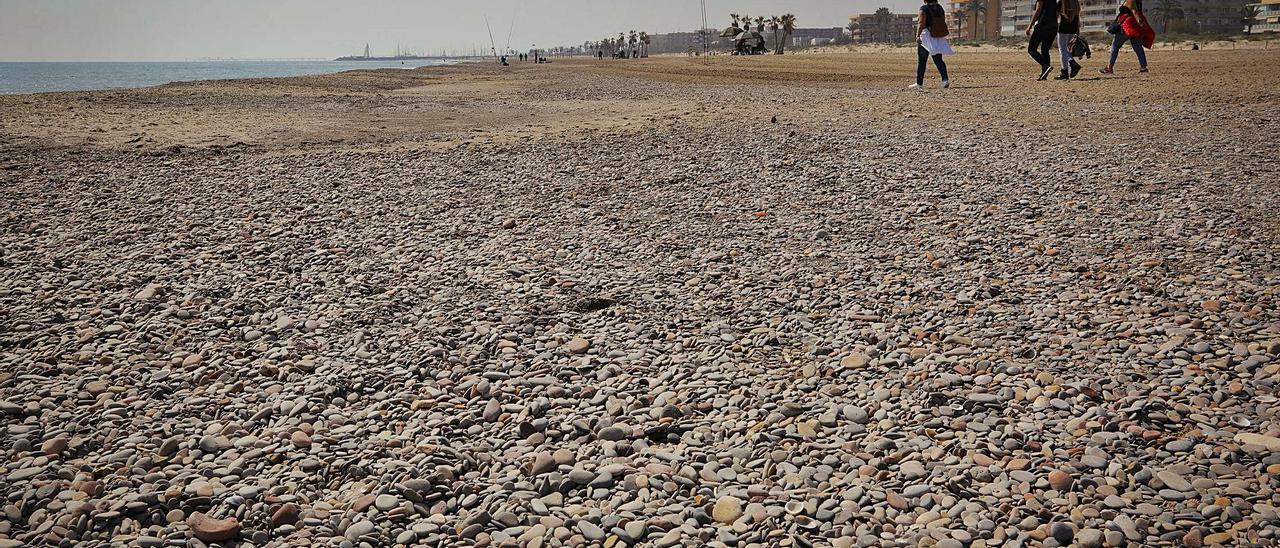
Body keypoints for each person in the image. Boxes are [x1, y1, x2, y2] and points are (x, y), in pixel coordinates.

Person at [910, 0, 954, 90]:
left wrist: (918, 35)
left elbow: (921, 23)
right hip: (937, 36)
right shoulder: (940, 8)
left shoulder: (924, 8)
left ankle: (919, 84)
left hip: (926, 36)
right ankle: (945, 80)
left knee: (922, 61)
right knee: (938, 59)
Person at [1100, 0, 1152, 74]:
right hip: (1135, 27)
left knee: (1115, 46)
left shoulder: (1130, 1)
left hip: (1127, 27)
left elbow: (1134, 12)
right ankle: (1143, 67)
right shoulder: (1138, 2)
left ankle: (1109, 68)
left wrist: (1140, 21)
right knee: (1138, 47)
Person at [1026, 0, 1059, 80]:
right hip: (1053, 26)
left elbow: (1038, 10)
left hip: (1043, 24)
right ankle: (1044, 73)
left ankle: (1045, 65)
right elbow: (1057, 13)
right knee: (1045, 49)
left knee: (1031, 49)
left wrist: (1030, 25)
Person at [1055, 0, 1083, 79]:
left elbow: (1056, 16)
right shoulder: (1075, 2)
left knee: (1062, 50)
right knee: (1067, 50)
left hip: (1063, 27)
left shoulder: (1060, 2)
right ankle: (1071, 65)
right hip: (1073, 27)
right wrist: (1078, 30)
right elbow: (1077, 16)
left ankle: (1065, 71)